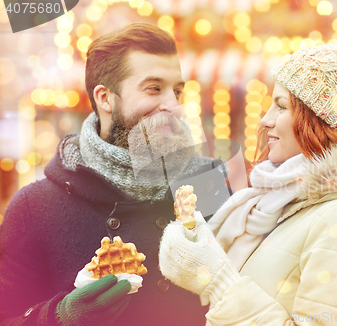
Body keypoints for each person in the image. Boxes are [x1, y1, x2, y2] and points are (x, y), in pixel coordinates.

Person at [159, 33, 337, 325]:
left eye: (281, 106)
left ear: (320, 121)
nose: (265, 120)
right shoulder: (279, 204)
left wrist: (219, 282)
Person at [0, 22, 229, 326]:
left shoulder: (211, 188)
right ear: (105, 98)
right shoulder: (35, 207)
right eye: (154, 89)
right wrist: (61, 317)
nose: (173, 106)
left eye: (177, 91)